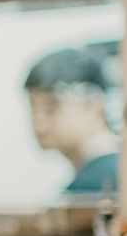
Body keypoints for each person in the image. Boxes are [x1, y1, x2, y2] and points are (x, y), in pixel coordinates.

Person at [25, 45, 120, 196]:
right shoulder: (124, 172)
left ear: (94, 107)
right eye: (33, 108)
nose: (39, 123)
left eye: (51, 108)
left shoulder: (92, 188)